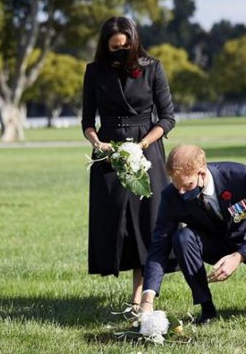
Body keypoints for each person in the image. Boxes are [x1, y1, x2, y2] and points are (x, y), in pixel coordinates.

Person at [82, 17, 176, 307]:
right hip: (109, 151)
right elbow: (87, 121)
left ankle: (140, 296)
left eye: (125, 46)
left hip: (146, 149)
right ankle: (127, 279)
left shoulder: (153, 68)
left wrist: (143, 144)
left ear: (134, 43)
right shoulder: (94, 72)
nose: (120, 51)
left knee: (145, 222)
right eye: (114, 47)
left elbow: (167, 118)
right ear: (105, 46)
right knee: (115, 222)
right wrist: (97, 143)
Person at [141, 145, 246, 324]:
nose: (181, 192)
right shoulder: (172, 196)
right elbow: (159, 244)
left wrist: (238, 256)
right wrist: (147, 298)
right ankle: (207, 308)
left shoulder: (242, 177)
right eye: (177, 186)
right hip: (214, 243)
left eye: (187, 185)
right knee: (182, 238)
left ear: (202, 172)